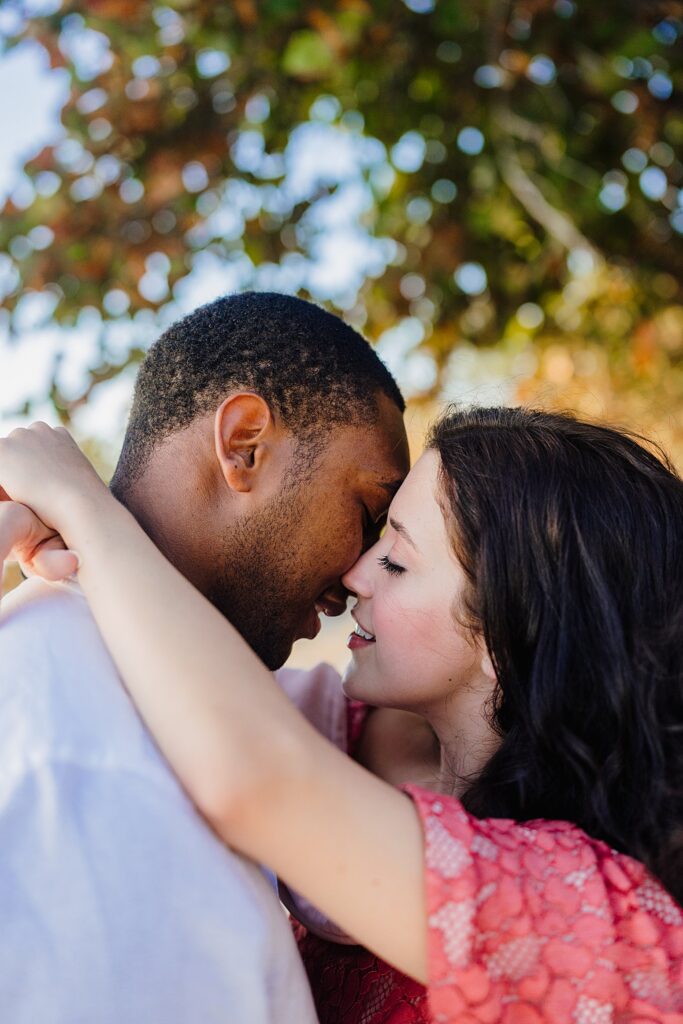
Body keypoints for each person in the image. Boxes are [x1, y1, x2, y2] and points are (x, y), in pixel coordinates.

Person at [1, 406, 682, 1024]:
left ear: (515, 626)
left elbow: (254, 773)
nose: (355, 573)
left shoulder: (598, 922)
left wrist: (83, 504)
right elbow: (187, 680)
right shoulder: (335, 729)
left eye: (397, 561)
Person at [0, 291, 409, 1023]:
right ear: (245, 444)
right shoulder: (80, 752)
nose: (358, 579)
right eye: (368, 513)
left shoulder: (174, 701)